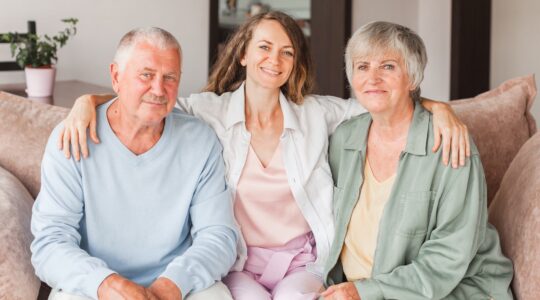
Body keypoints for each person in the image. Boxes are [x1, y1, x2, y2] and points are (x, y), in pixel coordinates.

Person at [57, 12, 470, 300]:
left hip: (302, 262)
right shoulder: (210, 111)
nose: (275, 59)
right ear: (243, 54)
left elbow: (380, 100)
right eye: (265, 47)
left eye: (287, 52)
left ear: (295, 63)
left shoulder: (315, 114)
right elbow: (148, 99)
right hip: (240, 262)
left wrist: (442, 109)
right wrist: (85, 102)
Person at [31, 28, 238, 300]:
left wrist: (172, 285)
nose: (158, 89)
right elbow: (50, 242)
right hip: (93, 286)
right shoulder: (72, 138)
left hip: (180, 285)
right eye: (146, 75)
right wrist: (106, 284)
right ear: (116, 77)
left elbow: (218, 236)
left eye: (170, 77)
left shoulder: (200, 140)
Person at [321, 21, 513, 300]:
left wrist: (365, 292)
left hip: (450, 290)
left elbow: (448, 258)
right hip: (361, 289)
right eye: (362, 66)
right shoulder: (344, 138)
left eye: (388, 66)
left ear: (412, 78)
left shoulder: (450, 143)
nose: (372, 78)